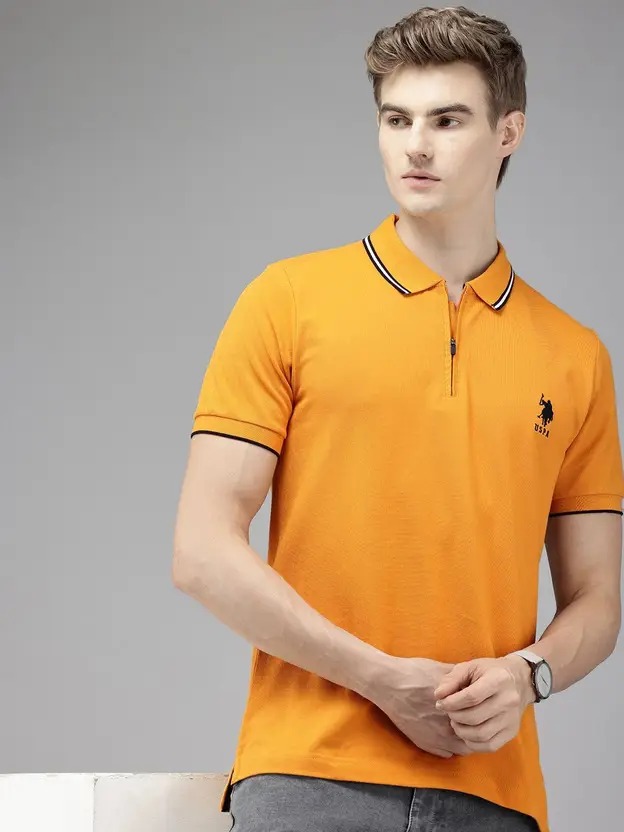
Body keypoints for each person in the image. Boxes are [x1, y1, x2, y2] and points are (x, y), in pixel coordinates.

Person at [172, 6, 624, 832]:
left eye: (447, 120)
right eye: (396, 119)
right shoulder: (287, 302)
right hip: (308, 779)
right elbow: (201, 551)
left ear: (509, 131)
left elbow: (597, 599)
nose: (416, 145)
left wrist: (529, 675)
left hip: (495, 798)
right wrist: (381, 679)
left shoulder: (575, 356)